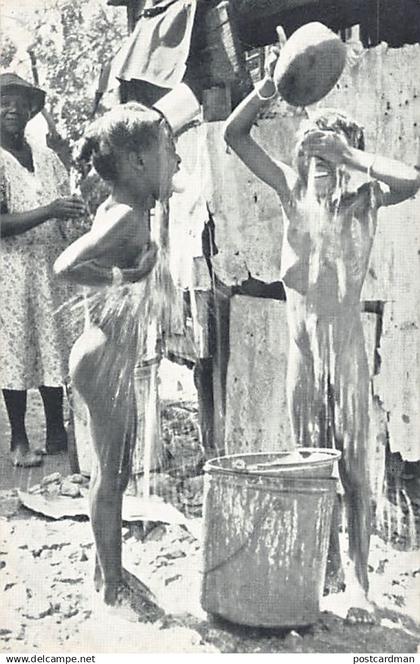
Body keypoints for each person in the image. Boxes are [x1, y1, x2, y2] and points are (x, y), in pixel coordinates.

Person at [224, 48, 419, 619]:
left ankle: (358, 580)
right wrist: (263, 91)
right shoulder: (291, 194)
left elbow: (412, 178)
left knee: (356, 470)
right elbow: (236, 138)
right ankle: (321, 569)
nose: (320, 163)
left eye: (329, 155)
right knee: (311, 464)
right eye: (314, 151)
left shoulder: (362, 200)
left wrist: (351, 154)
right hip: (303, 359)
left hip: (348, 357)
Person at [53, 102, 180, 617]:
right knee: (113, 474)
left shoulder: (129, 203)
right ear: (138, 162)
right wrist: (125, 279)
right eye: (169, 151)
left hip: (106, 357)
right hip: (103, 359)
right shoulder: (127, 214)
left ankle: (106, 568)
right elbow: (66, 266)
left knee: (113, 471)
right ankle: (110, 587)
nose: (177, 161)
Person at [0, 73, 86, 467]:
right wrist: (50, 211)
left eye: (20, 102)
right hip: (12, 269)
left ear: (32, 109)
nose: (12, 109)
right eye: (4, 103)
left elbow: (64, 202)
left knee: (55, 342)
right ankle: (19, 439)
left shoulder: (47, 156)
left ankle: (56, 430)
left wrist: (73, 217)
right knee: (16, 349)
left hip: (52, 264)